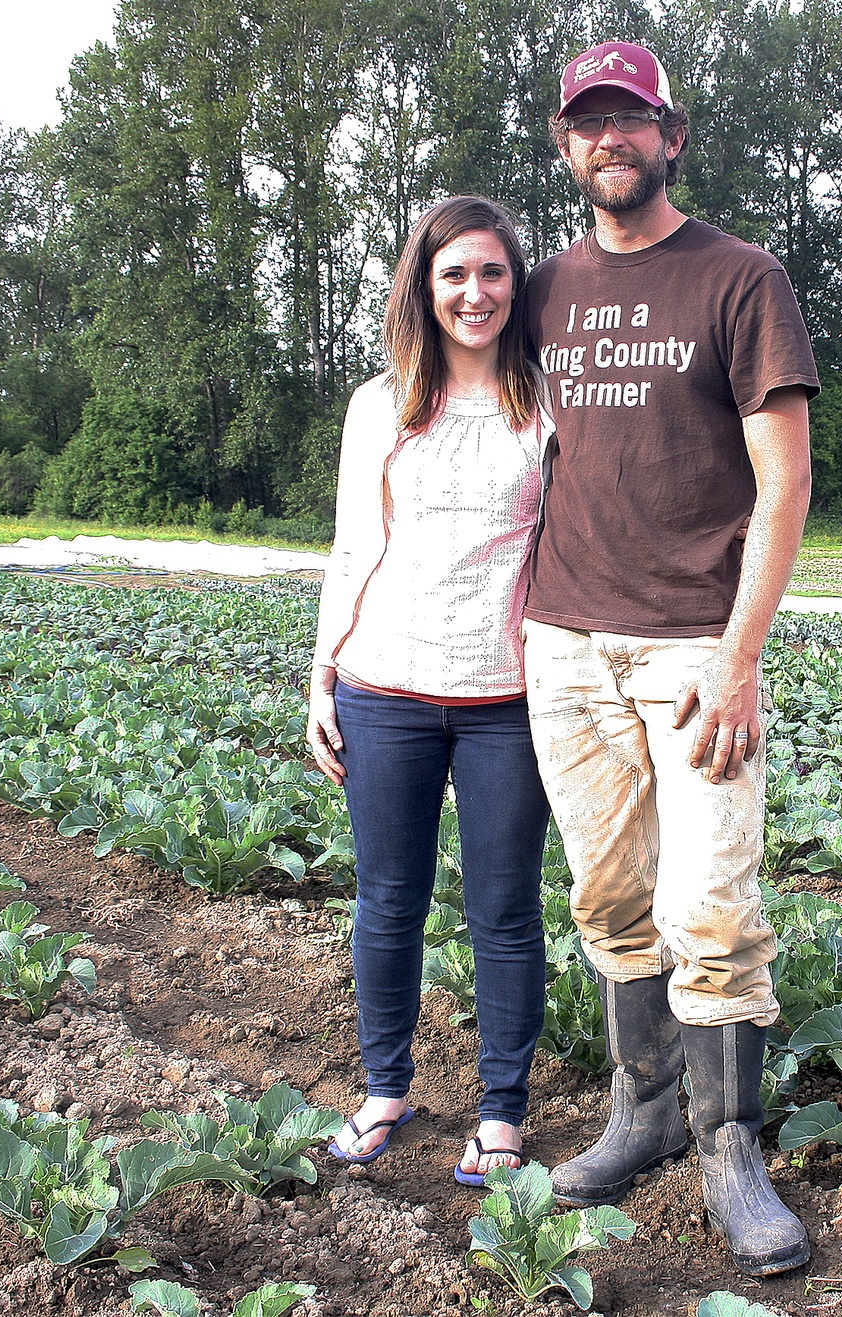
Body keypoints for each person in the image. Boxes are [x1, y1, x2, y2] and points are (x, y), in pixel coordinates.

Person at [520, 41, 818, 1276]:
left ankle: (726, 1145)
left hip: (696, 647)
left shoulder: (739, 278)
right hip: (564, 644)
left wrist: (740, 657)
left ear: (669, 134)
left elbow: (783, 481)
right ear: (564, 144)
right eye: (588, 123)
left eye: (629, 119)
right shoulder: (542, 289)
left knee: (712, 908)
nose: (611, 140)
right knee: (606, 898)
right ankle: (640, 1114)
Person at [307, 194, 551, 1187]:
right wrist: (321, 675)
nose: (474, 292)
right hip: (384, 688)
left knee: (504, 908)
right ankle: (384, 1091)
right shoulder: (380, 403)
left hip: (507, 698)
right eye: (454, 274)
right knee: (388, 900)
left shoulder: (546, 401)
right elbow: (350, 547)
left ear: (515, 284)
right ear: (425, 286)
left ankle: (501, 1113)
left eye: (492, 272)